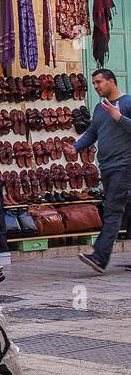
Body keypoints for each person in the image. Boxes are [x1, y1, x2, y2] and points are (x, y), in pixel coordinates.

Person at [75, 68, 131, 273]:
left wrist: (119, 117)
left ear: (112, 82)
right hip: (107, 167)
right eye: (94, 83)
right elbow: (92, 133)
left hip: (124, 166)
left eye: (99, 82)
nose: (96, 86)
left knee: (113, 210)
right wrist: (74, 147)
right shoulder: (100, 108)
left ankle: (99, 257)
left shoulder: (127, 103)